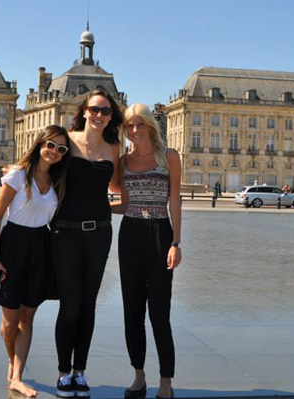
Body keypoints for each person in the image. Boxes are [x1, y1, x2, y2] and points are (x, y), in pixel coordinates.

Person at [50, 88, 124, 398]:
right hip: (65, 232)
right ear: (84, 111)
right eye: (94, 109)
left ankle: (80, 371)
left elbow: (120, 186)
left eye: (105, 111)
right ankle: (64, 372)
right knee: (70, 304)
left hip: (99, 232)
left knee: (89, 304)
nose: (99, 115)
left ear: (111, 116)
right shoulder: (67, 140)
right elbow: (43, 169)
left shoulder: (114, 148)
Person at [0, 125, 71, 398]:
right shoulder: (18, 175)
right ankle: (11, 361)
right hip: (13, 244)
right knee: (10, 321)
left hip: (41, 246)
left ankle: (17, 375)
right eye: (50, 145)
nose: (54, 152)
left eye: (61, 148)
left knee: (28, 316)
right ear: (39, 143)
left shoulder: (58, 180)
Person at [112, 104, 182, 399]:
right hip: (130, 234)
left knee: (159, 312)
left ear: (151, 127)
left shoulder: (169, 157)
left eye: (140, 125)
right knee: (132, 311)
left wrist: (176, 243)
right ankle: (139, 375)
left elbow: (175, 201)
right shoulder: (122, 161)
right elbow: (123, 204)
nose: (135, 131)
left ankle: (165, 380)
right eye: (129, 126)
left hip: (159, 233)